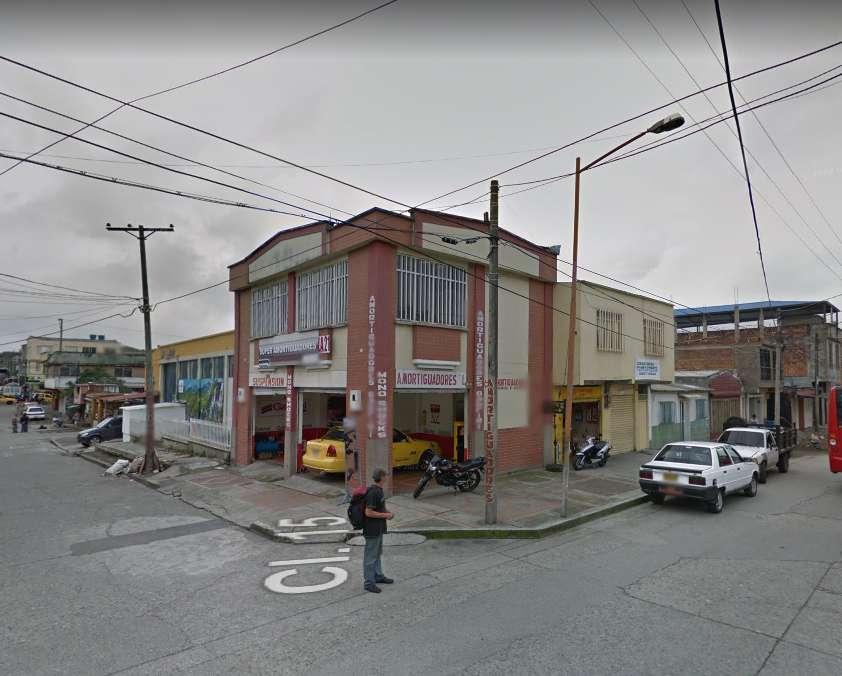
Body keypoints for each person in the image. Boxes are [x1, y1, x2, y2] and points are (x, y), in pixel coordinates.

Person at [363, 468, 394, 593]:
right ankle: (369, 583)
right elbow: (368, 512)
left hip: (379, 528)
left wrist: (388, 513)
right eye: (385, 476)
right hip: (372, 529)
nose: (387, 478)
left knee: (377, 554)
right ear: (381, 477)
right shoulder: (373, 492)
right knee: (370, 556)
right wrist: (385, 515)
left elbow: (380, 508)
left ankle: (378, 575)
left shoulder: (379, 490)